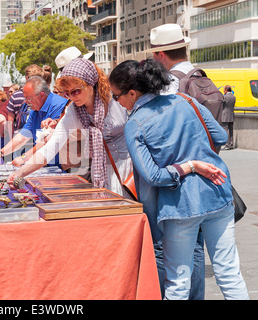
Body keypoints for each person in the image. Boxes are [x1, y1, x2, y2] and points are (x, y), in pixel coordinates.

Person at [109, 58, 249, 300]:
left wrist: (188, 166)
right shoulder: (186, 101)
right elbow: (219, 136)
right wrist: (198, 157)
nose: (117, 102)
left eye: (116, 96)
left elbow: (152, 175)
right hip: (216, 192)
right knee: (229, 273)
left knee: (177, 282)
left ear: (132, 93)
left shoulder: (136, 123)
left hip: (180, 205)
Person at [8, 58, 132, 196]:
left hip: (129, 169)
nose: (72, 97)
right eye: (67, 93)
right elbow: (51, 147)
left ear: (90, 84)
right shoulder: (74, 111)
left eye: (76, 91)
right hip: (102, 172)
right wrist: (20, 172)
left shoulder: (115, 99)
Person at [149, 23, 206, 299]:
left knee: (171, 246)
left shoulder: (171, 83)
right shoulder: (201, 76)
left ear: (161, 54)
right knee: (197, 245)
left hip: (178, 174)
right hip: (207, 173)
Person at [0, 76, 67, 165]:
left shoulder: (59, 105)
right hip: (42, 164)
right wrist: (0, 153)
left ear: (41, 95)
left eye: (29, 98)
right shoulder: (35, 108)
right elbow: (23, 136)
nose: (26, 102)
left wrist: (24, 158)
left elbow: (47, 141)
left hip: (57, 165)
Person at [7, 65, 45, 132]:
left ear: (27, 78)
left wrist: (11, 139)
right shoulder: (45, 95)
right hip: (39, 134)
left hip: (21, 135)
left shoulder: (15, 96)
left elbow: (10, 122)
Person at [222, 85, 236, 150]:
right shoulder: (233, 97)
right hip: (231, 115)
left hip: (225, 115)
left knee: (226, 130)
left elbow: (222, 105)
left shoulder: (225, 97)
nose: (223, 91)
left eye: (224, 90)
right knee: (231, 130)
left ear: (226, 90)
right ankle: (231, 144)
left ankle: (227, 145)